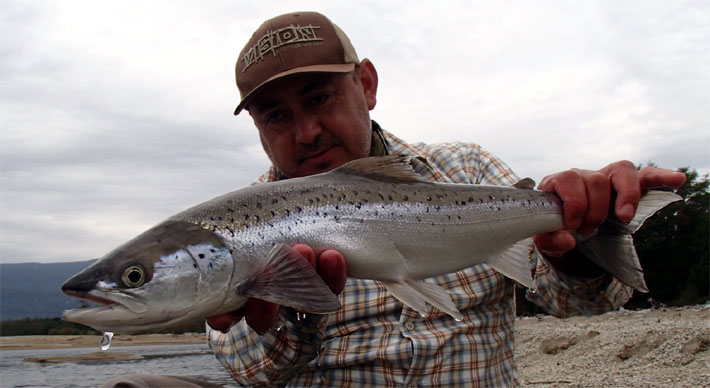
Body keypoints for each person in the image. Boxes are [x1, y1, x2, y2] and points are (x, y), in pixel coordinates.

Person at [102, 11, 686, 388]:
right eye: (276, 115)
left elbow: (583, 306)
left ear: (368, 85)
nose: (306, 132)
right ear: (256, 126)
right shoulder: (234, 233)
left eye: (321, 97)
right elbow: (259, 372)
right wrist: (292, 305)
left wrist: (575, 245)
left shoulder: (469, 171)